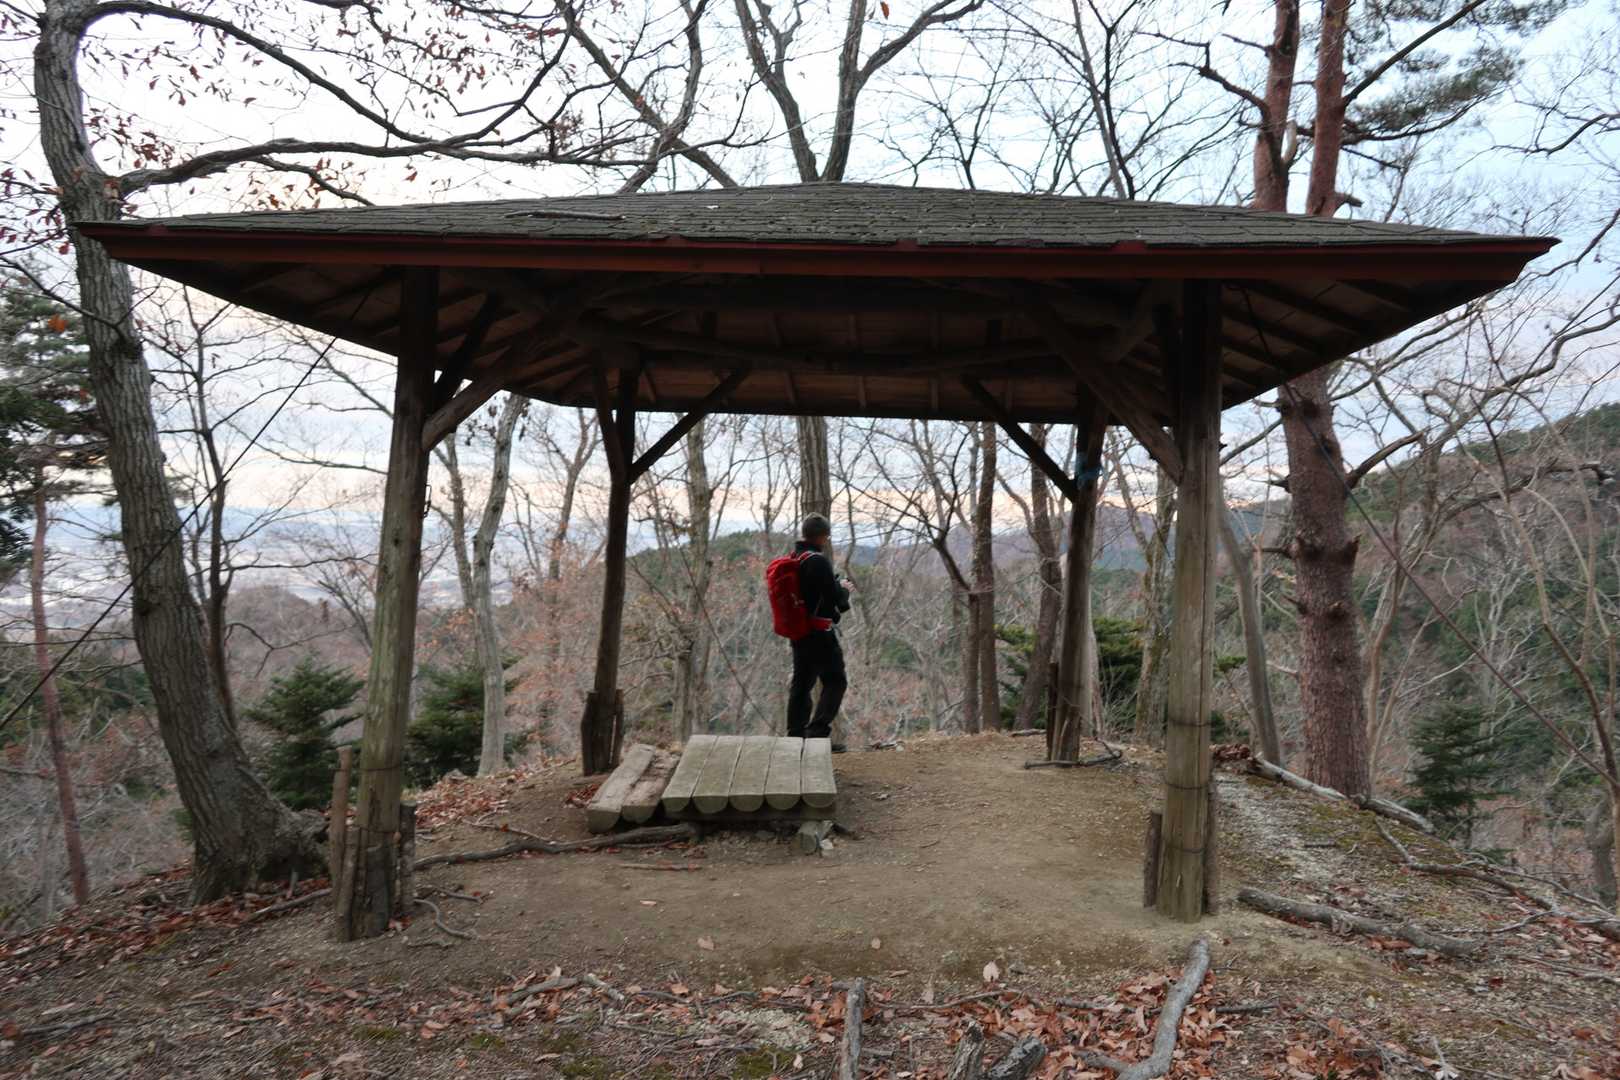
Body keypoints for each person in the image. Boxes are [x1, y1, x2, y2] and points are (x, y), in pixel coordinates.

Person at [786, 513, 852, 742]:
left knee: (802, 684)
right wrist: (844, 589)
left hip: (799, 631)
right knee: (836, 680)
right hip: (819, 634)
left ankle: (795, 734)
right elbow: (835, 599)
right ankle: (817, 732)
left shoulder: (796, 557)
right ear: (823, 536)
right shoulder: (818, 561)